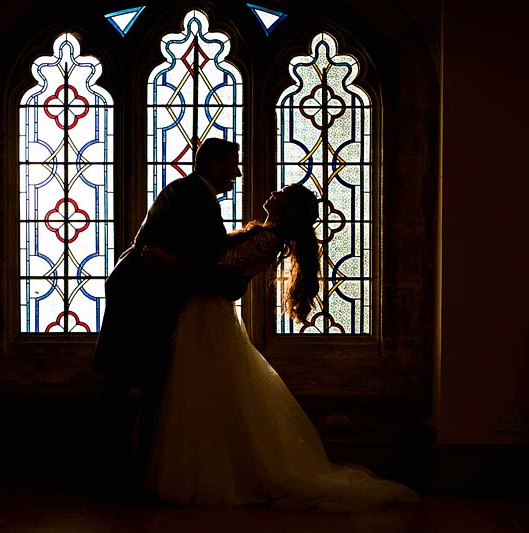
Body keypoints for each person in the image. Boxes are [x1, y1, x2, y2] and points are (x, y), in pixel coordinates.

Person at [143, 183, 421, 512]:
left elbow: (219, 278)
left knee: (205, 392)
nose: (273, 194)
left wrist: (169, 261)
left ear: (289, 210)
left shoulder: (267, 240)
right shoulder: (262, 233)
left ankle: (209, 477)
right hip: (204, 315)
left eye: (282, 193)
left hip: (210, 317)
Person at [92, 138, 249, 494]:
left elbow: (199, 255)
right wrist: (235, 282)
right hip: (141, 301)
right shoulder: (195, 197)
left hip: (142, 296)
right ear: (214, 165)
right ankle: (117, 476)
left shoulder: (188, 192)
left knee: (129, 386)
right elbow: (205, 260)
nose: (237, 174)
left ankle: (123, 475)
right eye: (232, 165)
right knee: (133, 386)